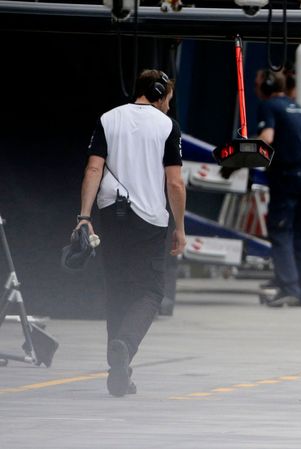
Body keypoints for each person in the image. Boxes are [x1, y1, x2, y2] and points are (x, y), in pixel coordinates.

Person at [77, 69, 186, 397]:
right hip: (150, 221)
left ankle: (118, 374)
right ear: (159, 93)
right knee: (151, 291)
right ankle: (124, 345)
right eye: (168, 97)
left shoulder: (108, 119)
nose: (169, 104)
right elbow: (175, 182)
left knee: (118, 290)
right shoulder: (168, 127)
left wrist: (84, 216)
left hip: (112, 215)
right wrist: (179, 226)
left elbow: (94, 168)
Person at [255, 68, 301, 308]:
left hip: (285, 178)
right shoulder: (296, 106)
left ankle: (289, 287)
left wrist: (241, 154)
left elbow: (267, 139)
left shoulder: (270, 106)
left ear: (266, 86)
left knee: (280, 232)